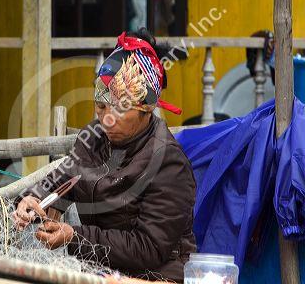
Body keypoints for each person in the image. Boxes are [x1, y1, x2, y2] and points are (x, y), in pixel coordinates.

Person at [13, 28, 196, 282]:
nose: (107, 118)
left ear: (146, 109)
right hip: (99, 273)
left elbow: (149, 249)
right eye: (100, 106)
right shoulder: (94, 138)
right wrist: (35, 200)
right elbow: (63, 178)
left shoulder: (168, 162)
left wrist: (74, 237)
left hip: (154, 277)